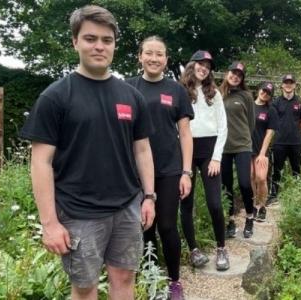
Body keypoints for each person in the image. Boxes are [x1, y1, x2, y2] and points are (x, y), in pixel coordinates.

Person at [19, 6, 155, 300]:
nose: (99, 46)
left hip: (127, 208)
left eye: (107, 40)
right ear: (75, 42)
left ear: (115, 45)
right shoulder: (55, 97)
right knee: (84, 289)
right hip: (79, 213)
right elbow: (41, 163)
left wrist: (149, 197)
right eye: (90, 38)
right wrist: (50, 224)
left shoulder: (131, 96)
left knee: (124, 278)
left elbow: (142, 150)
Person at [126, 36, 194, 300]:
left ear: (166, 59)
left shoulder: (176, 90)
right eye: (149, 53)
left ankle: (175, 282)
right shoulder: (127, 87)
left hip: (168, 169)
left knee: (166, 225)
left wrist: (186, 172)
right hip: (134, 171)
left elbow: (186, 134)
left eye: (159, 54)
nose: (154, 59)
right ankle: (150, 278)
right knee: (143, 227)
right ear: (140, 56)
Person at [180, 50, 229, 271]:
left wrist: (217, 158)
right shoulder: (180, 91)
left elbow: (223, 127)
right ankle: (193, 250)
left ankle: (221, 248)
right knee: (186, 203)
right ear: (192, 65)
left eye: (208, 66)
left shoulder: (214, 94)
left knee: (215, 204)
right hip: (186, 149)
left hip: (210, 151)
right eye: (201, 64)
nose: (204, 68)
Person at [219, 62, 256, 239]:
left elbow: (251, 122)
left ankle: (250, 217)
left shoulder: (246, 96)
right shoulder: (218, 94)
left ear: (242, 79)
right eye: (233, 73)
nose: (235, 76)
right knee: (225, 186)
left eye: (239, 75)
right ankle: (230, 220)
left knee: (244, 183)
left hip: (242, 145)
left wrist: (244, 139)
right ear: (227, 73)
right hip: (223, 146)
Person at [270, 74, 301, 201]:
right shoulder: (275, 102)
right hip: (279, 143)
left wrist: (294, 131)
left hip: (296, 143)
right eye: (286, 82)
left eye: (291, 83)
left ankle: (297, 197)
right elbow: (272, 122)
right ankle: (274, 195)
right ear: (282, 85)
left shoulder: (300, 102)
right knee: (276, 170)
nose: (288, 85)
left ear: (295, 85)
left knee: (297, 170)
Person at [251, 82, 279, 221]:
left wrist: (262, 153)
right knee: (250, 177)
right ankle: (254, 205)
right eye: (263, 90)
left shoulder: (271, 110)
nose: (265, 93)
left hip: (261, 150)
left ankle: (262, 207)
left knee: (261, 178)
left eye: (268, 93)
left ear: (270, 96)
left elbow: (270, 133)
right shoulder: (249, 105)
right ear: (258, 89)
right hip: (246, 148)